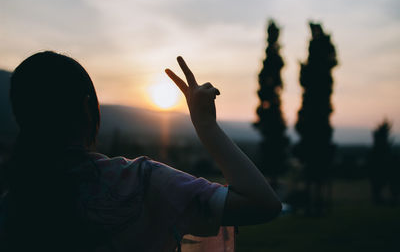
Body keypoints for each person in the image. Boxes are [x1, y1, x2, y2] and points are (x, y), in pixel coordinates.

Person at [0, 51, 282, 252]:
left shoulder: (11, 206)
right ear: (87, 108)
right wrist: (206, 124)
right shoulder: (140, 183)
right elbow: (262, 203)